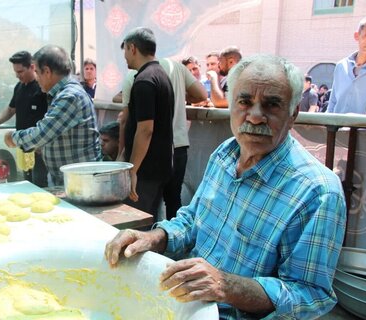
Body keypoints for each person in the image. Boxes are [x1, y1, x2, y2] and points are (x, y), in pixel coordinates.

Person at [105, 54, 346, 319]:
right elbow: (192, 220)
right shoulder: (225, 154)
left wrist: (226, 286)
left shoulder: (318, 192)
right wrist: (154, 238)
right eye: (244, 102)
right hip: (183, 306)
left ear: (293, 115)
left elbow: (310, 295)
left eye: (272, 105)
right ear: (231, 105)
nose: (255, 117)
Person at [119, 58, 207, 221]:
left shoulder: (136, 74)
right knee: (173, 200)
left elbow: (126, 120)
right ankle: (174, 243)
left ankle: (145, 243)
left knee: (143, 204)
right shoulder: (178, 68)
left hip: (149, 151)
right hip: (179, 147)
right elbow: (201, 94)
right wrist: (178, 95)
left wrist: (121, 156)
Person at [4, 45, 102, 186]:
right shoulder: (59, 94)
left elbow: (42, 133)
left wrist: (13, 137)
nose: (36, 78)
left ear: (47, 71)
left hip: (82, 183)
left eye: (37, 72)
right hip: (68, 180)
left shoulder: (70, 96)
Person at [120, 27, 175, 217]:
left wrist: (133, 170)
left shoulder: (145, 80)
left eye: (125, 50)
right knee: (149, 221)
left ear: (132, 48)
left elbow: (145, 130)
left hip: (145, 171)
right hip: (159, 166)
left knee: (136, 225)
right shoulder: (161, 75)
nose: (125, 57)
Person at [0, 51, 48, 187]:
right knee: (26, 183)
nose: (18, 76)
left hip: (41, 150)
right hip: (23, 147)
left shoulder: (42, 88)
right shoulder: (19, 87)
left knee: (40, 186)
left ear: (32, 67)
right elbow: (11, 109)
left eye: (20, 72)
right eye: (16, 72)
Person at [328, 17, 366, 114]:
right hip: (336, 126)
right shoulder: (341, 66)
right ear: (356, 36)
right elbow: (333, 101)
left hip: (362, 128)